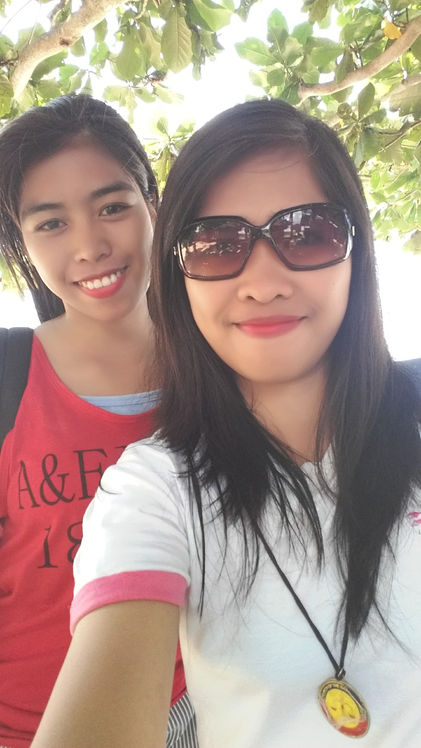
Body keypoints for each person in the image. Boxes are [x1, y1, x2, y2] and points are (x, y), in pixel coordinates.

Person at [32, 99, 421, 748]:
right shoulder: (152, 491)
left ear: (357, 252)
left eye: (308, 233)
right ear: (178, 277)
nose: (263, 283)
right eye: (216, 246)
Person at [0, 95, 196, 748]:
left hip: (191, 713)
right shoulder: (8, 376)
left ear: (153, 206)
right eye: (51, 223)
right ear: (23, 242)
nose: (90, 247)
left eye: (112, 207)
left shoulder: (221, 371)